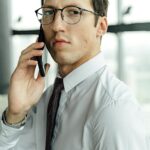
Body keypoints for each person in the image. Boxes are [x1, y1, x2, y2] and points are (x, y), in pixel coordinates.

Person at [0, 0, 149, 149]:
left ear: (101, 27)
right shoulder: (46, 98)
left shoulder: (116, 110)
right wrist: (15, 114)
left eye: (73, 12)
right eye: (49, 12)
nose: (56, 26)